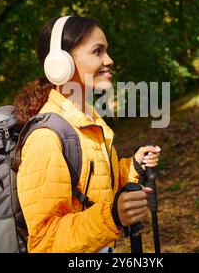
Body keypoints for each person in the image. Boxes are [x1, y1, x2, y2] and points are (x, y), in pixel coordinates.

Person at [13, 15, 161, 253]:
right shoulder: (46, 138)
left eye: (107, 51)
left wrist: (134, 166)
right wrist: (113, 216)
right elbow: (44, 242)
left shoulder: (89, 123)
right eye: (97, 51)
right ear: (61, 64)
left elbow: (97, 189)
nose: (109, 60)